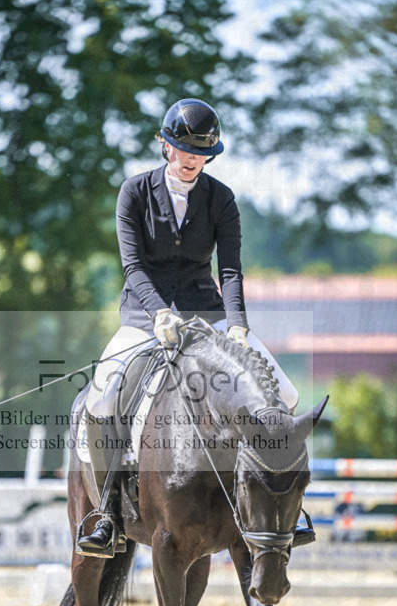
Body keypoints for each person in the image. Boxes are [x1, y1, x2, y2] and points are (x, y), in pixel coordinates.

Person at [76, 97, 298, 556]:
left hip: (208, 314)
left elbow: (231, 270)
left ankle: (283, 508)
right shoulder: (134, 193)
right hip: (144, 314)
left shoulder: (221, 199)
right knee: (102, 399)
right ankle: (108, 513)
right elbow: (133, 266)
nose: (192, 159)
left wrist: (236, 326)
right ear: (165, 144)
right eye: (184, 149)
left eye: (202, 153)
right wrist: (159, 313)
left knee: (284, 392)